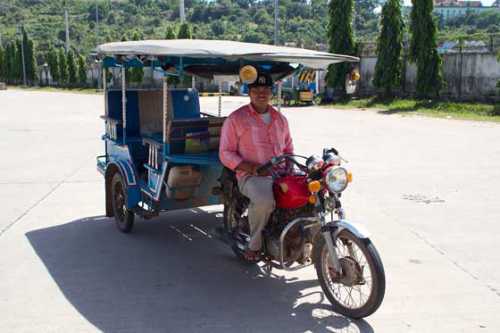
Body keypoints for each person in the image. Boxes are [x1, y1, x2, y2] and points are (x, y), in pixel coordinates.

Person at [219, 72, 294, 261]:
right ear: (249, 92)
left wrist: (292, 168)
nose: (262, 93)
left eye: (266, 89)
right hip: (251, 176)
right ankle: (254, 244)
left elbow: (288, 147)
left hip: (280, 173)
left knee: (308, 194)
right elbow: (225, 153)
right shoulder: (236, 119)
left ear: (271, 92)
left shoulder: (280, 119)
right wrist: (251, 168)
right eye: (256, 90)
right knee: (264, 201)